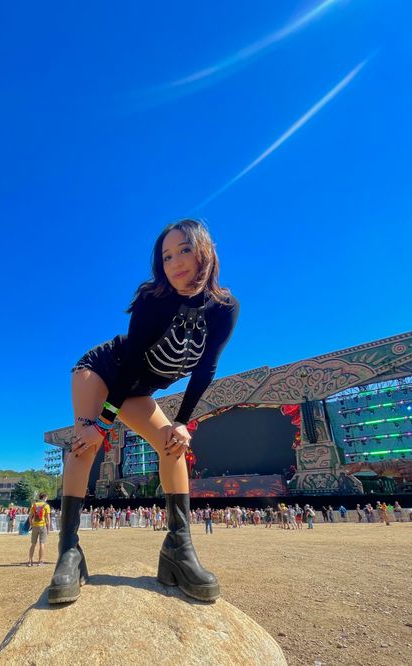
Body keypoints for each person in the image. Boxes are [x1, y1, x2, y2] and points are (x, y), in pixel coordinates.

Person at [48, 219, 239, 604]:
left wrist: (183, 422)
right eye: (166, 256)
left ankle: (178, 549)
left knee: (172, 446)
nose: (175, 262)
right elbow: (132, 363)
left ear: (206, 250)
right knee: (84, 445)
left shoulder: (225, 308)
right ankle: (68, 550)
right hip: (104, 370)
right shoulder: (154, 300)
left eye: (184, 249)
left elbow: (207, 368)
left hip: (136, 390)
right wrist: (99, 424)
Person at [28, 493, 50, 566]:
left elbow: (30, 517)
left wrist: (31, 525)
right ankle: (40, 561)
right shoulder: (46, 506)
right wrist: (48, 528)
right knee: (42, 544)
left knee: (33, 544)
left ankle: (30, 561)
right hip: (42, 526)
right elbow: (48, 518)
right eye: (46, 498)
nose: (47, 499)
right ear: (44, 497)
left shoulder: (34, 505)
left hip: (35, 526)